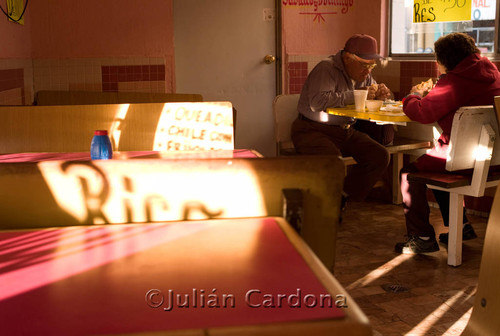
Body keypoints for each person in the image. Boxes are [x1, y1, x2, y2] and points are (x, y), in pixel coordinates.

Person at [395, 32, 500, 254]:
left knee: (410, 173)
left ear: (444, 60)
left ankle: (421, 237)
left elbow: (423, 113)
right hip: (493, 159)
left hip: (464, 158)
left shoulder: (455, 81)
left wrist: (412, 96)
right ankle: (460, 226)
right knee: (439, 165)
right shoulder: (493, 73)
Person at [291, 34, 393, 203]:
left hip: (345, 131)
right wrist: (357, 95)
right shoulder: (326, 68)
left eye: (372, 65)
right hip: (311, 130)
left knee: (379, 156)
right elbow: (317, 102)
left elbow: (369, 97)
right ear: (347, 58)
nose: (368, 70)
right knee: (333, 162)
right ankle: (331, 204)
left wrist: (380, 96)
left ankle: (343, 200)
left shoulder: (364, 74)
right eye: (363, 64)